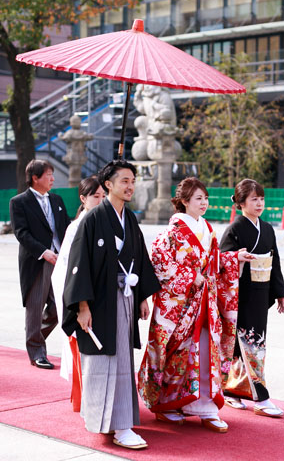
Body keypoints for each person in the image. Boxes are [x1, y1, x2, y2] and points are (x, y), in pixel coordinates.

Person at [137, 177, 254, 434]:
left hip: (205, 302)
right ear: (184, 201)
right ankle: (167, 404)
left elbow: (213, 262)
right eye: (198, 198)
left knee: (204, 352)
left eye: (206, 198)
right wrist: (191, 277)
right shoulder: (171, 232)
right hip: (179, 305)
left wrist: (234, 258)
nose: (204, 203)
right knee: (175, 352)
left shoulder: (208, 229)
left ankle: (204, 407)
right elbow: (159, 264)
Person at [63, 160, 160, 450]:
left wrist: (142, 296)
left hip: (126, 296)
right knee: (103, 359)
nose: (130, 186)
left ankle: (120, 422)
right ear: (108, 185)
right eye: (124, 181)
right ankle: (114, 423)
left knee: (121, 360)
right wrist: (82, 307)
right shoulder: (92, 219)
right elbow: (78, 265)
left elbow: (140, 258)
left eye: (133, 181)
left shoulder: (129, 219)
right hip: (99, 300)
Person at [219, 179, 284, 417]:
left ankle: (232, 390)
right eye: (253, 199)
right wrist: (236, 257)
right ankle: (261, 397)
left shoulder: (267, 229)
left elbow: (274, 260)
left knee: (250, 342)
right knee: (251, 343)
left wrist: (280, 292)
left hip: (262, 290)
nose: (259, 204)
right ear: (240, 203)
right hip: (242, 293)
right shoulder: (234, 229)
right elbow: (221, 260)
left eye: (261, 199)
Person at [50, 175, 105, 411]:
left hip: (101, 294)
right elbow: (67, 269)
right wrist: (79, 301)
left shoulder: (105, 222)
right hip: (81, 295)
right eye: (96, 196)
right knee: (83, 347)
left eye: (104, 196)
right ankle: (85, 399)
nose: (101, 200)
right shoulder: (77, 227)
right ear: (83, 198)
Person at [10, 160, 70, 369]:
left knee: (59, 306)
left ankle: (35, 338)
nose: (53, 179)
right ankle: (36, 351)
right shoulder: (19, 202)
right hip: (37, 260)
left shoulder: (57, 199)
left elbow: (66, 226)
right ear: (35, 178)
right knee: (35, 307)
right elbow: (21, 233)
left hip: (59, 260)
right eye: (48, 175)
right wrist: (44, 252)